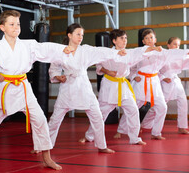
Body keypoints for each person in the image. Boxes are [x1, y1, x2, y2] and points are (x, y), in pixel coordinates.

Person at [0, 10, 73, 170]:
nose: (16, 27)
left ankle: (46, 156)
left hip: (23, 88)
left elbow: (45, 49)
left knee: (40, 119)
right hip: (4, 89)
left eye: (18, 24)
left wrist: (62, 50)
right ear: (3, 27)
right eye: (11, 24)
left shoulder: (28, 45)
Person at [48, 24, 156, 153]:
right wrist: (58, 77)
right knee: (55, 119)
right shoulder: (61, 51)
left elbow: (102, 51)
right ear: (69, 35)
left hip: (84, 86)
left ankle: (102, 146)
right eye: (78, 34)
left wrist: (116, 53)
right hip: (67, 88)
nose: (81, 37)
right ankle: (45, 145)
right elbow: (54, 68)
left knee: (98, 116)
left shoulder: (85, 50)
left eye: (82, 35)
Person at [118, 29, 189, 140]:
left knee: (162, 107)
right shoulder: (139, 51)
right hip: (140, 81)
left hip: (154, 82)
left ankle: (156, 133)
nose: (149, 40)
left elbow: (172, 53)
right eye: (147, 38)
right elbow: (130, 66)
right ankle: (121, 130)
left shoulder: (161, 51)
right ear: (143, 41)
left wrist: (187, 52)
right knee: (133, 107)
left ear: (155, 39)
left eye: (151, 37)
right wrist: (133, 76)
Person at [141, 36, 189, 135]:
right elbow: (154, 70)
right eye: (174, 44)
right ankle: (144, 124)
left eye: (178, 45)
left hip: (175, 81)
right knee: (158, 107)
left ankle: (182, 127)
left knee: (183, 102)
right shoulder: (162, 54)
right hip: (164, 82)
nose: (177, 46)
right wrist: (163, 77)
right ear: (168, 45)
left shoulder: (181, 57)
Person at [89, 29, 148, 145]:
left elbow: (137, 60)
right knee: (101, 113)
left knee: (133, 110)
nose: (124, 40)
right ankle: (89, 135)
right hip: (109, 85)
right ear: (114, 41)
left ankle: (134, 138)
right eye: (121, 38)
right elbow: (99, 66)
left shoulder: (128, 53)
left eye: (125, 38)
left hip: (123, 85)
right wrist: (107, 71)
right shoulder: (106, 53)